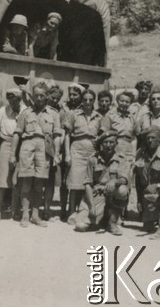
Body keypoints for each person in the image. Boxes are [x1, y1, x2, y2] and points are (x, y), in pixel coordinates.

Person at [10, 82, 62, 227]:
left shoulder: (53, 114)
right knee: (26, 183)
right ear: (32, 96)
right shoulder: (26, 113)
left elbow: (57, 135)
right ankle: (25, 214)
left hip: (44, 149)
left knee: (39, 184)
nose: (39, 98)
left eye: (42, 95)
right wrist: (12, 154)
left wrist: (57, 153)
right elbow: (17, 134)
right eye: (36, 95)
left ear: (47, 96)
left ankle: (35, 215)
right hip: (27, 146)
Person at [74, 131, 131, 236]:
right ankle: (102, 219)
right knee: (80, 226)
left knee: (122, 190)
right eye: (105, 142)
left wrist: (115, 181)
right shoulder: (93, 159)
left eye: (111, 142)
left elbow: (124, 179)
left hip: (112, 194)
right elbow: (87, 184)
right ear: (101, 144)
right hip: (97, 195)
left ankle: (112, 222)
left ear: (116, 144)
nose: (108, 145)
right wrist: (91, 206)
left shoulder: (122, 159)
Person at [0, 88, 26, 221]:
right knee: (2, 179)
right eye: (10, 101)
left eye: (15, 101)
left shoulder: (25, 110)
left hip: (22, 145)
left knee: (17, 180)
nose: (12, 104)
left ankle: (15, 211)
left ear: (20, 99)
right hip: (7, 144)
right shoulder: (4, 110)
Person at [64, 89, 103, 224]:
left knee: (87, 182)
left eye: (90, 100)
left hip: (91, 151)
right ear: (82, 100)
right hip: (77, 150)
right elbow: (67, 135)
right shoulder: (74, 114)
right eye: (85, 99)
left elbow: (101, 136)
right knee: (75, 182)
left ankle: (83, 210)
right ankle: (71, 212)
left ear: (94, 101)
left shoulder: (98, 117)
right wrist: (67, 154)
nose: (87, 102)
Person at [134, 126, 160, 239]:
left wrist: (157, 185)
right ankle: (152, 219)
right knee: (147, 227)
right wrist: (139, 200)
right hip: (147, 195)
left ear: (159, 139)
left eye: (153, 138)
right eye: (148, 138)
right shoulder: (140, 154)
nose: (150, 140)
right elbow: (138, 179)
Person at [58, 82, 84, 220]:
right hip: (64, 145)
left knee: (76, 180)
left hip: (77, 147)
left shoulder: (84, 107)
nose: (73, 97)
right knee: (63, 180)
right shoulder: (63, 107)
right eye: (71, 94)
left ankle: (73, 209)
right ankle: (62, 208)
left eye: (76, 94)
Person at [44, 84, 64, 220]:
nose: (55, 100)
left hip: (53, 148)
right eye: (53, 97)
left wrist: (57, 152)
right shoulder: (41, 109)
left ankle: (46, 209)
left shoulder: (61, 111)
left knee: (51, 181)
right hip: (42, 147)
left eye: (58, 98)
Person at [100, 91, 137, 157]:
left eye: (127, 102)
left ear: (130, 103)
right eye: (122, 101)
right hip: (114, 148)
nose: (124, 103)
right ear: (117, 101)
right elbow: (104, 135)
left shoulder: (131, 117)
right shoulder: (110, 115)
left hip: (129, 148)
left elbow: (134, 137)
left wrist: (134, 154)